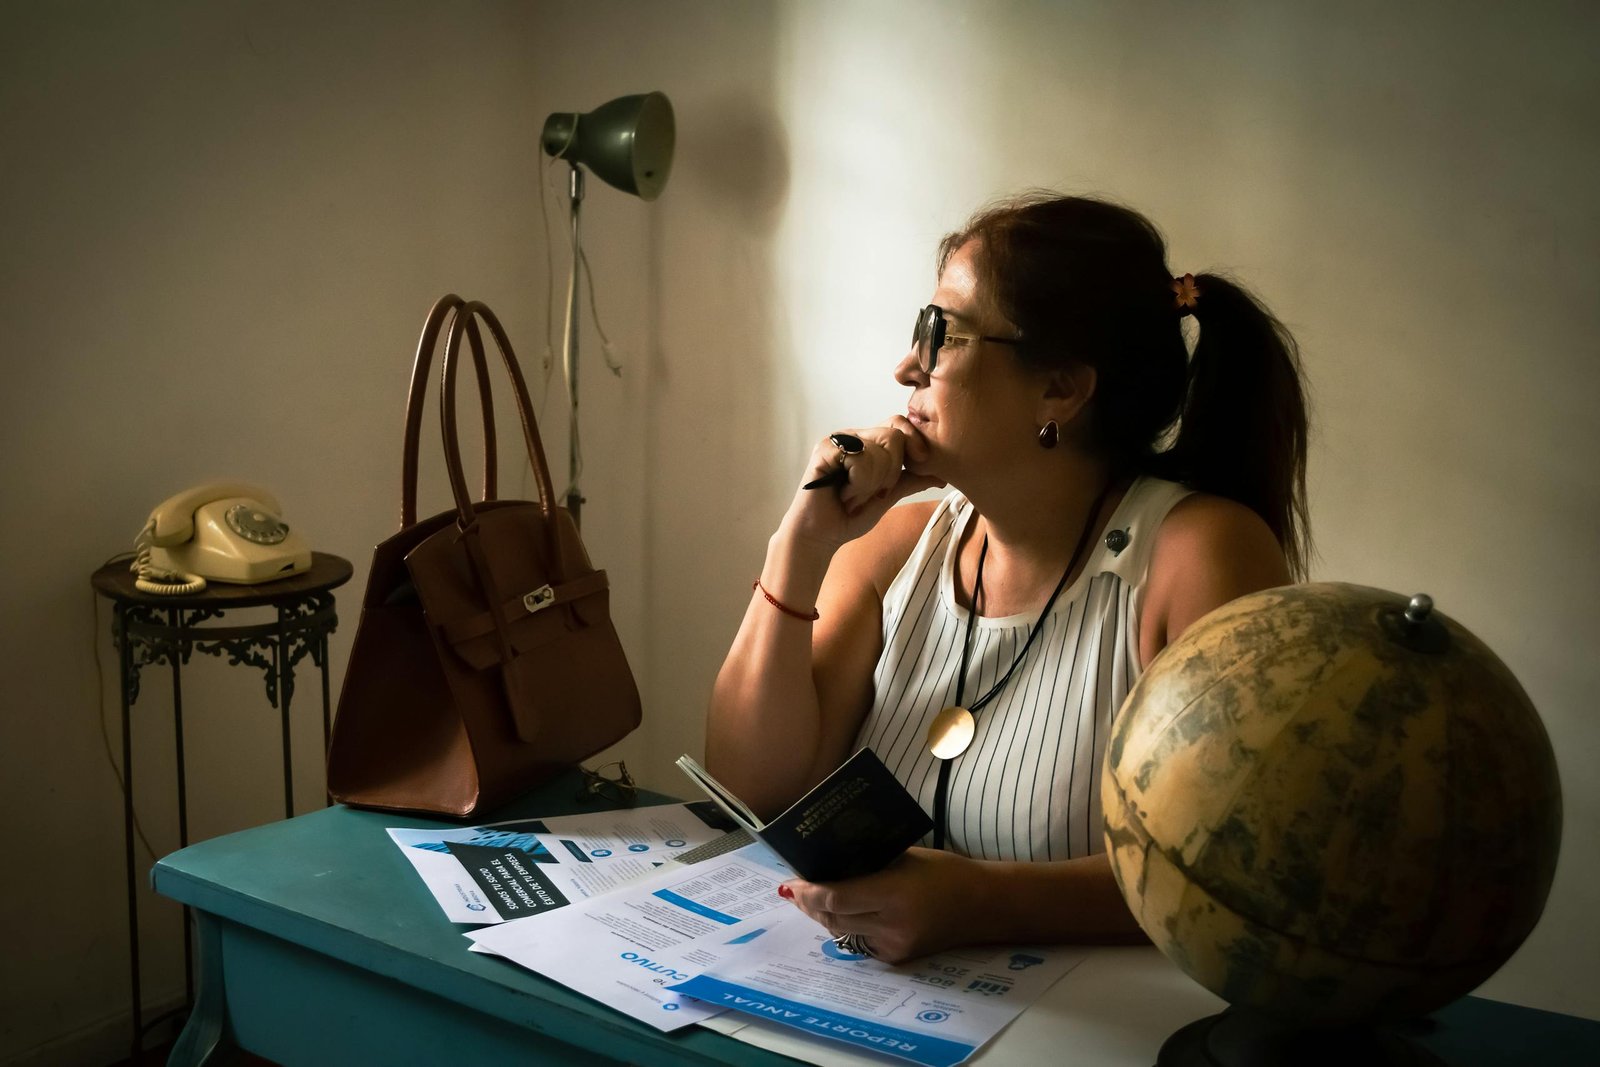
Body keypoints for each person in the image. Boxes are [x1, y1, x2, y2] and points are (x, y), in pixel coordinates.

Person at [705, 192, 1310, 963]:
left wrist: (983, 903)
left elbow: (1231, 866)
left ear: (1060, 388)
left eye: (943, 333)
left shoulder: (1198, 555)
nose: (906, 366)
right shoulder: (897, 544)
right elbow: (750, 791)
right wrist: (799, 543)